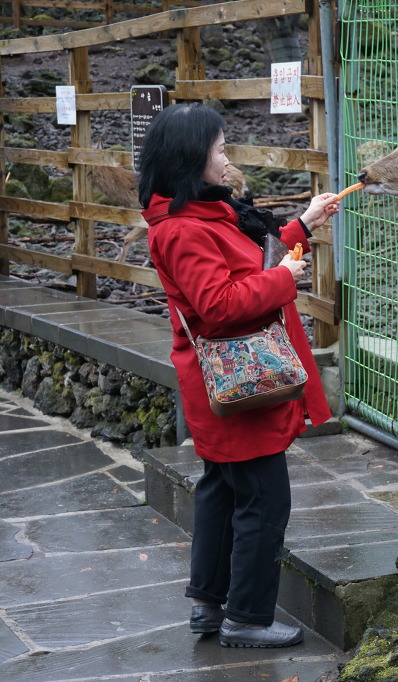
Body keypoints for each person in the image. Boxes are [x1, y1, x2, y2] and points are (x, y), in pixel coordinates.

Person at [137, 102, 338, 648]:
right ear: (190, 158)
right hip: (237, 382)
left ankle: (208, 605)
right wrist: (283, 279)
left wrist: (304, 225)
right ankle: (246, 619)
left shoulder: (198, 215)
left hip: (226, 383)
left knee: (221, 493)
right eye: (220, 150)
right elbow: (220, 304)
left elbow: (245, 262)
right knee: (264, 500)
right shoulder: (182, 230)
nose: (227, 161)